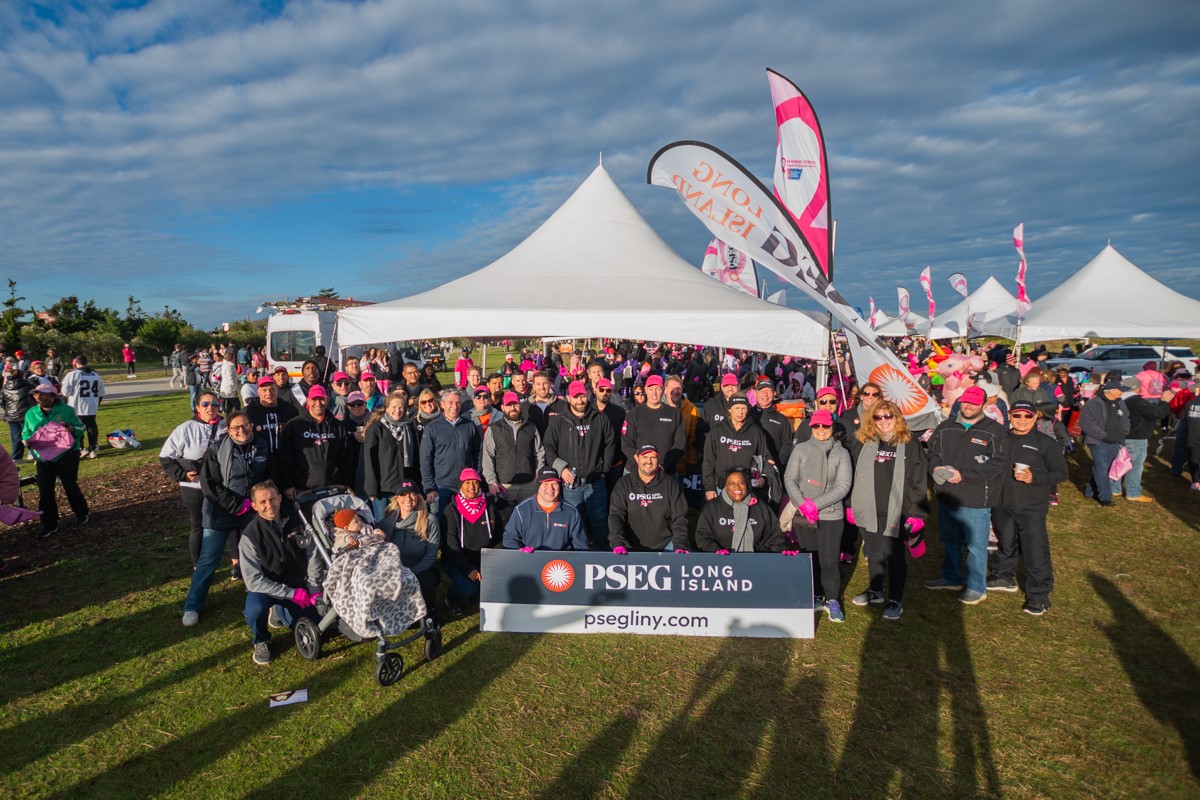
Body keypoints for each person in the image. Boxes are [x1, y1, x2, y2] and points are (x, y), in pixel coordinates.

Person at [181, 411, 274, 624]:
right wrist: (234, 504)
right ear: (228, 430)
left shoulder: (262, 446)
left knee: (262, 555)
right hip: (220, 512)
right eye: (235, 428)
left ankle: (271, 601)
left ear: (251, 425)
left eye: (245, 426)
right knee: (208, 559)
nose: (241, 431)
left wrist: (258, 502)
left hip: (251, 510)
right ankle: (192, 606)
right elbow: (210, 484)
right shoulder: (217, 450)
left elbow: (268, 475)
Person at [845, 400, 929, 621]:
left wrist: (916, 513)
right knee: (873, 552)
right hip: (868, 506)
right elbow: (852, 475)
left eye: (888, 416)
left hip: (897, 509)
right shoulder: (864, 442)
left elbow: (917, 481)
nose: (883, 421)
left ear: (897, 418)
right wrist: (851, 505)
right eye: (878, 417)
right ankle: (875, 591)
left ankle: (895, 600)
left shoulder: (910, 444)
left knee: (895, 555)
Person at [925, 385, 1009, 604]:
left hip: (975, 498)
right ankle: (951, 577)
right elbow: (932, 452)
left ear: (983, 404)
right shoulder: (945, 427)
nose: (969, 406)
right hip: (947, 496)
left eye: (974, 403)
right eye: (965, 402)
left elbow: (998, 463)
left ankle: (976, 586)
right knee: (950, 540)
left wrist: (965, 475)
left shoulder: (995, 431)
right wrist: (934, 468)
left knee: (975, 545)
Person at [988, 401, 1068, 616]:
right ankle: (1004, 576)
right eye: (1017, 415)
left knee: (1035, 549)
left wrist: (1035, 477)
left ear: (1035, 418)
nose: (1022, 420)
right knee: (1005, 541)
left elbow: (1061, 473)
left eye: (1027, 416)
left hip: (1031, 506)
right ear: (1010, 417)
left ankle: (1039, 594)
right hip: (1002, 503)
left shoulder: (1045, 443)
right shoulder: (1000, 439)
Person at [237, 481, 320, 665]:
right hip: (265, 590)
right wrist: (290, 594)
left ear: (280, 498)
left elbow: (313, 554)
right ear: (254, 506)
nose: (269, 505)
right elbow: (253, 581)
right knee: (255, 609)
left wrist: (314, 588)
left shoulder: (299, 522)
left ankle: (279, 611)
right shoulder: (249, 536)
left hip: (297, 584)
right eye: (263, 502)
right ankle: (261, 640)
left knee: (314, 622)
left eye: (273, 499)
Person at [783, 409, 852, 621]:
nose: (821, 430)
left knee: (829, 561)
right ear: (811, 427)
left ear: (832, 427)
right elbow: (790, 478)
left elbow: (843, 486)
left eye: (825, 426)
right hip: (804, 513)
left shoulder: (841, 453)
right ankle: (815, 595)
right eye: (817, 426)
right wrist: (803, 505)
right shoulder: (801, 449)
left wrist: (816, 504)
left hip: (831, 515)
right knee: (809, 558)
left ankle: (832, 599)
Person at [542, 380, 616, 550]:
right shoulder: (559, 421)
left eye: (582, 396)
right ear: (569, 398)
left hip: (595, 481)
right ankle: (576, 556)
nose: (580, 401)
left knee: (599, 520)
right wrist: (561, 468)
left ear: (587, 395)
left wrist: (603, 469)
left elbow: (610, 443)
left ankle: (601, 554)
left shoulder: (600, 418)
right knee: (573, 521)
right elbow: (549, 447)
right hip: (570, 484)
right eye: (576, 397)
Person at [160, 391, 228, 566]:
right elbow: (166, 457)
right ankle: (198, 563)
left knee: (228, 522)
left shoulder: (227, 425)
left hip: (221, 485)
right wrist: (182, 475)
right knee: (198, 524)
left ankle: (235, 562)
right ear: (197, 407)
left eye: (214, 404)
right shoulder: (185, 428)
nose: (210, 408)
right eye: (205, 404)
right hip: (194, 487)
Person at [23, 383, 89, 537]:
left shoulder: (66, 410)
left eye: (44, 394)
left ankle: (81, 512)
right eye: (36, 394)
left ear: (53, 396)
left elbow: (81, 428)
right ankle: (49, 524)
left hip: (68, 454)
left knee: (69, 485)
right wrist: (26, 441)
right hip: (44, 458)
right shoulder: (31, 413)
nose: (39, 397)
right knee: (45, 489)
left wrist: (72, 429)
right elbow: (26, 433)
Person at [440, 468, 501, 616]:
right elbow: (451, 545)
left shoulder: (490, 506)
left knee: (488, 591)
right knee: (467, 586)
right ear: (460, 485)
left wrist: (494, 562)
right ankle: (451, 597)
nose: (472, 487)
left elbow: (499, 537)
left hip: (484, 558)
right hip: (458, 559)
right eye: (467, 483)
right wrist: (468, 569)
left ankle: (476, 593)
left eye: (475, 482)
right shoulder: (451, 510)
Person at [608, 443, 690, 553]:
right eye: (645, 457)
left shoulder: (670, 484)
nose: (649, 461)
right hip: (630, 547)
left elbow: (680, 518)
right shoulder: (623, 484)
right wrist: (617, 543)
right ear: (637, 458)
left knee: (683, 557)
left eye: (653, 457)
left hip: (666, 545)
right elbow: (616, 515)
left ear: (658, 459)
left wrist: (680, 545)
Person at [277, 386, 355, 499]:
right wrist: (287, 484)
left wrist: (347, 484)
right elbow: (285, 458)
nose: (318, 403)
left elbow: (347, 458)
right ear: (308, 401)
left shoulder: (337, 426)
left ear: (327, 400)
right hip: (304, 490)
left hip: (334, 489)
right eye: (314, 399)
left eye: (322, 399)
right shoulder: (294, 425)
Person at [482, 390, 545, 527]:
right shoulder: (494, 429)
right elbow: (488, 457)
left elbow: (539, 452)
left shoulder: (531, 427)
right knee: (505, 523)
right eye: (509, 405)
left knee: (529, 522)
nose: (513, 408)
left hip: (528, 485)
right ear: (503, 407)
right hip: (504, 486)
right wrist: (492, 481)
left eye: (515, 404)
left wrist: (538, 476)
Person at [381, 481, 441, 614]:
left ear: (418, 497)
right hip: (394, 572)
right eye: (403, 494)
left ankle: (429, 613)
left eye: (412, 494)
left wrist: (410, 573)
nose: (408, 499)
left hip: (419, 570)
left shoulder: (430, 521)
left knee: (428, 580)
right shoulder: (386, 522)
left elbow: (431, 556)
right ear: (397, 498)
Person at [701, 393, 773, 502]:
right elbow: (708, 461)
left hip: (746, 488)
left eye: (743, 408)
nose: (740, 412)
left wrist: (764, 478)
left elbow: (766, 458)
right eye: (737, 408)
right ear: (730, 410)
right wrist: (710, 488)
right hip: (722, 487)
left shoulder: (755, 431)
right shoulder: (717, 431)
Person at [695, 467, 786, 553]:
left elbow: (774, 536)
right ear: (725, 486)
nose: (737, 487)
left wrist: (782, 551)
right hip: (720, 562)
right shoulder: (712, 507)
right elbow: (702, 535)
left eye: (741, 483)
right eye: (732, 483)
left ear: (747, 485)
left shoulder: (760, 507)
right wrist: (715, 551)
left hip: (755, 562)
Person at [502, 467, 589, 551]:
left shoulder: (572, 513)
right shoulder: (522, 510)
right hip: (531, 561)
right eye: (545, 484)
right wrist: (519, 554)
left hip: (560, 564)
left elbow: (581, 546)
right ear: (538, 486)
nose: (550, 488)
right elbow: (510, 538)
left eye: (554, 483)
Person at [1118, 374, 1174, 502]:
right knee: (1135, 466)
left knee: (1120, 463)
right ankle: (1133, 492)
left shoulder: (1119, 399)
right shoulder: (1136, 401)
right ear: (1137, 388)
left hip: (1122, 435)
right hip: (1136, 437)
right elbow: (1157, 413)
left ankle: (1114, 488)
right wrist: (1164, 402)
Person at [363, 394, 420, 519]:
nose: (397, 411)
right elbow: (369, 460)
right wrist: (371, 489)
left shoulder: (410, 427)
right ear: (387, 408)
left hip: (405, 487)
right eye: (394, 407)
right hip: (383, 488)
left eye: (401, 407)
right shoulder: (376, 429)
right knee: (383, 523)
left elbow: (416, 457)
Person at [1078, 377, 1130, 507]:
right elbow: (1086, 423)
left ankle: (1091, 491)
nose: (1123, 392)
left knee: (1104, 467)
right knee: (1101, 466)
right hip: (1098, 441)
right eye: (1120, 390)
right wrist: (1103, 435)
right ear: (1111, 391)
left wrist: (1124, 431)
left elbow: (1125, 417)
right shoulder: (1094, 403)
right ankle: (1105, 496)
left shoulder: (1119, 402)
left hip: (1115, 440)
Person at [622, 374, 686, 475]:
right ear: (646, 390)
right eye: (651, 389)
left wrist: (664, 465)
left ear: (664, 390)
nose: (654, 393)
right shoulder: (634, 414)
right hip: (636, 470)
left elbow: (680, 444)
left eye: (658, 389)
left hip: (666, 472)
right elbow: (626, 443)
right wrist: (641, 463)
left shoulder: (675, 414)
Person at [60, 355, 105, 458]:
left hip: (76, 406)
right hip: (91, 406)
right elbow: (101, 392)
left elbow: (65, 392)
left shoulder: (72, 374)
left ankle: (81, 448)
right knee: (91, 426)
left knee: (77, 428)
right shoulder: (95, 374)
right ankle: (92, 449)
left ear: (75, 363)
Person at [1, 362, 34, 461]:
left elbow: (1, 401)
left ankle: (16, 457)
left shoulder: (5, 387)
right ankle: (32, 453)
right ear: (22, 376)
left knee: (15, 437)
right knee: (29, 435)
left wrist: (8, 409)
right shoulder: (28, 386)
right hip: (25, 415)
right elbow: (33, 399)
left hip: (11, 415)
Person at [212, 349, 241, 415]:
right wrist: (234, 389)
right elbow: (230, 378)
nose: (234, 359)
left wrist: (237, 379)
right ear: (230, 358)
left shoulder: (228, 365)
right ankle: (237, 417)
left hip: (227, 388)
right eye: (234, 358)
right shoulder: (229, 366)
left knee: (229, 405)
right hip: (229, 388)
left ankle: (228, 418)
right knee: (237, 405)